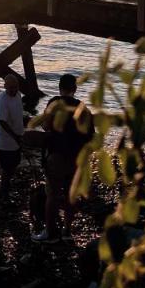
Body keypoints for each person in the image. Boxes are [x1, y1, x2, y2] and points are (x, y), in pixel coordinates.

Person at [30, 73, 92, 243]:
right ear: (75, 88)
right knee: (71, 195)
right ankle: (67, 231)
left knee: (52, 195)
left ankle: (50, 233)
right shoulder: (83, 108)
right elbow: (90, 136)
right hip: (76, 158)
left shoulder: (55, 104)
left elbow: (46, 125)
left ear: (60, 87)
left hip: (57, 155)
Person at [0, 74, 25, 198]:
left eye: (15, 87)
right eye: (11, 88)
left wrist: (21, 133)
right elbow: (2, 121)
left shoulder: (18, 96)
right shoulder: (2, 100)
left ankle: (6, 186)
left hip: (16, 138)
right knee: (7, 167)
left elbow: (18, 114)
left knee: (15, 163)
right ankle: (2, 191)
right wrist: (15, 136)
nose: (13, 90)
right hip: (4, 140)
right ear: (5, 86)